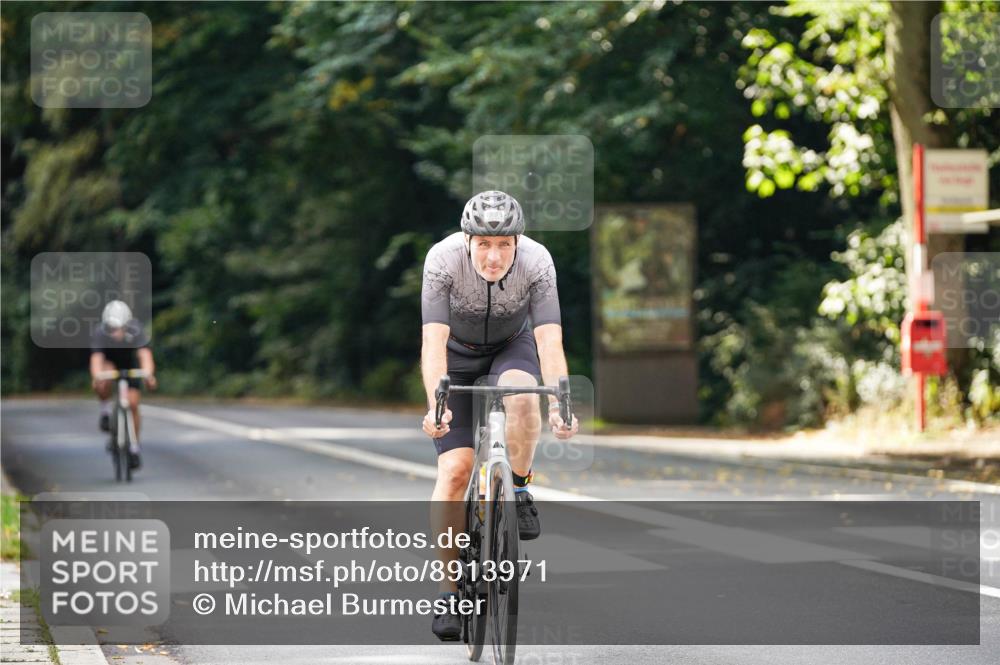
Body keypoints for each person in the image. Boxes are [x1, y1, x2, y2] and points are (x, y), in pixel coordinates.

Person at [420, 190, 578, 640]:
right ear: (467, 240)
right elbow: (432, 342)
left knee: (524, 394)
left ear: (518, 241)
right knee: (455, 470)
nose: (494, 256)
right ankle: (451, 594)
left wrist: (560, 404)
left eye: (505, 244)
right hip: (456, 356)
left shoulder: (538, 261)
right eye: (484, 244)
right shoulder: (442, 260)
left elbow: (549, 341)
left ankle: (522, 488)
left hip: (513, 348)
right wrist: (437, 405)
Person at [90, 300, 157, 470]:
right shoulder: (100, 333)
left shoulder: (136, 330)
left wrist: (148, 374)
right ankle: (105, 410)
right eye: (111, 328)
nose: (115, 332)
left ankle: (134, 447)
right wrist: (97, 377)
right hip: (110, 364)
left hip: (130, 365)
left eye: (118, 328)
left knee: (133, 403)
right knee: (104, 376)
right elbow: (96, 359)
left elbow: (145, 355)